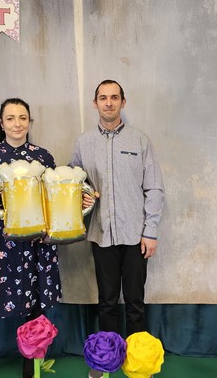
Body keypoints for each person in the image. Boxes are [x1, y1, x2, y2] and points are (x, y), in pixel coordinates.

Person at [0, 98, 60, 378]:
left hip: (35, 243)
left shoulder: (43, 158)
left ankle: (31, 363)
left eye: (22, 118)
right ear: (2, 123)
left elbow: (54, 198)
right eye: (11, 118)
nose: (17, 124)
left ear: (29, 122)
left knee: (35, 302)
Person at [70, 80, 165, 368]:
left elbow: (154, 188)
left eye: (114, 97)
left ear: (123, 102)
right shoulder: (84, 143)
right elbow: (73, 186)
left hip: (136, 236)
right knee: (107, 302)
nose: (108, 103)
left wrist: (150, 232)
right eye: (103, 98)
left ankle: (139, 363)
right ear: (95, 103)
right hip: (101, 234)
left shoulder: (140, 140)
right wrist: (83, 197)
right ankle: (106, 360)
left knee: (135, 302)